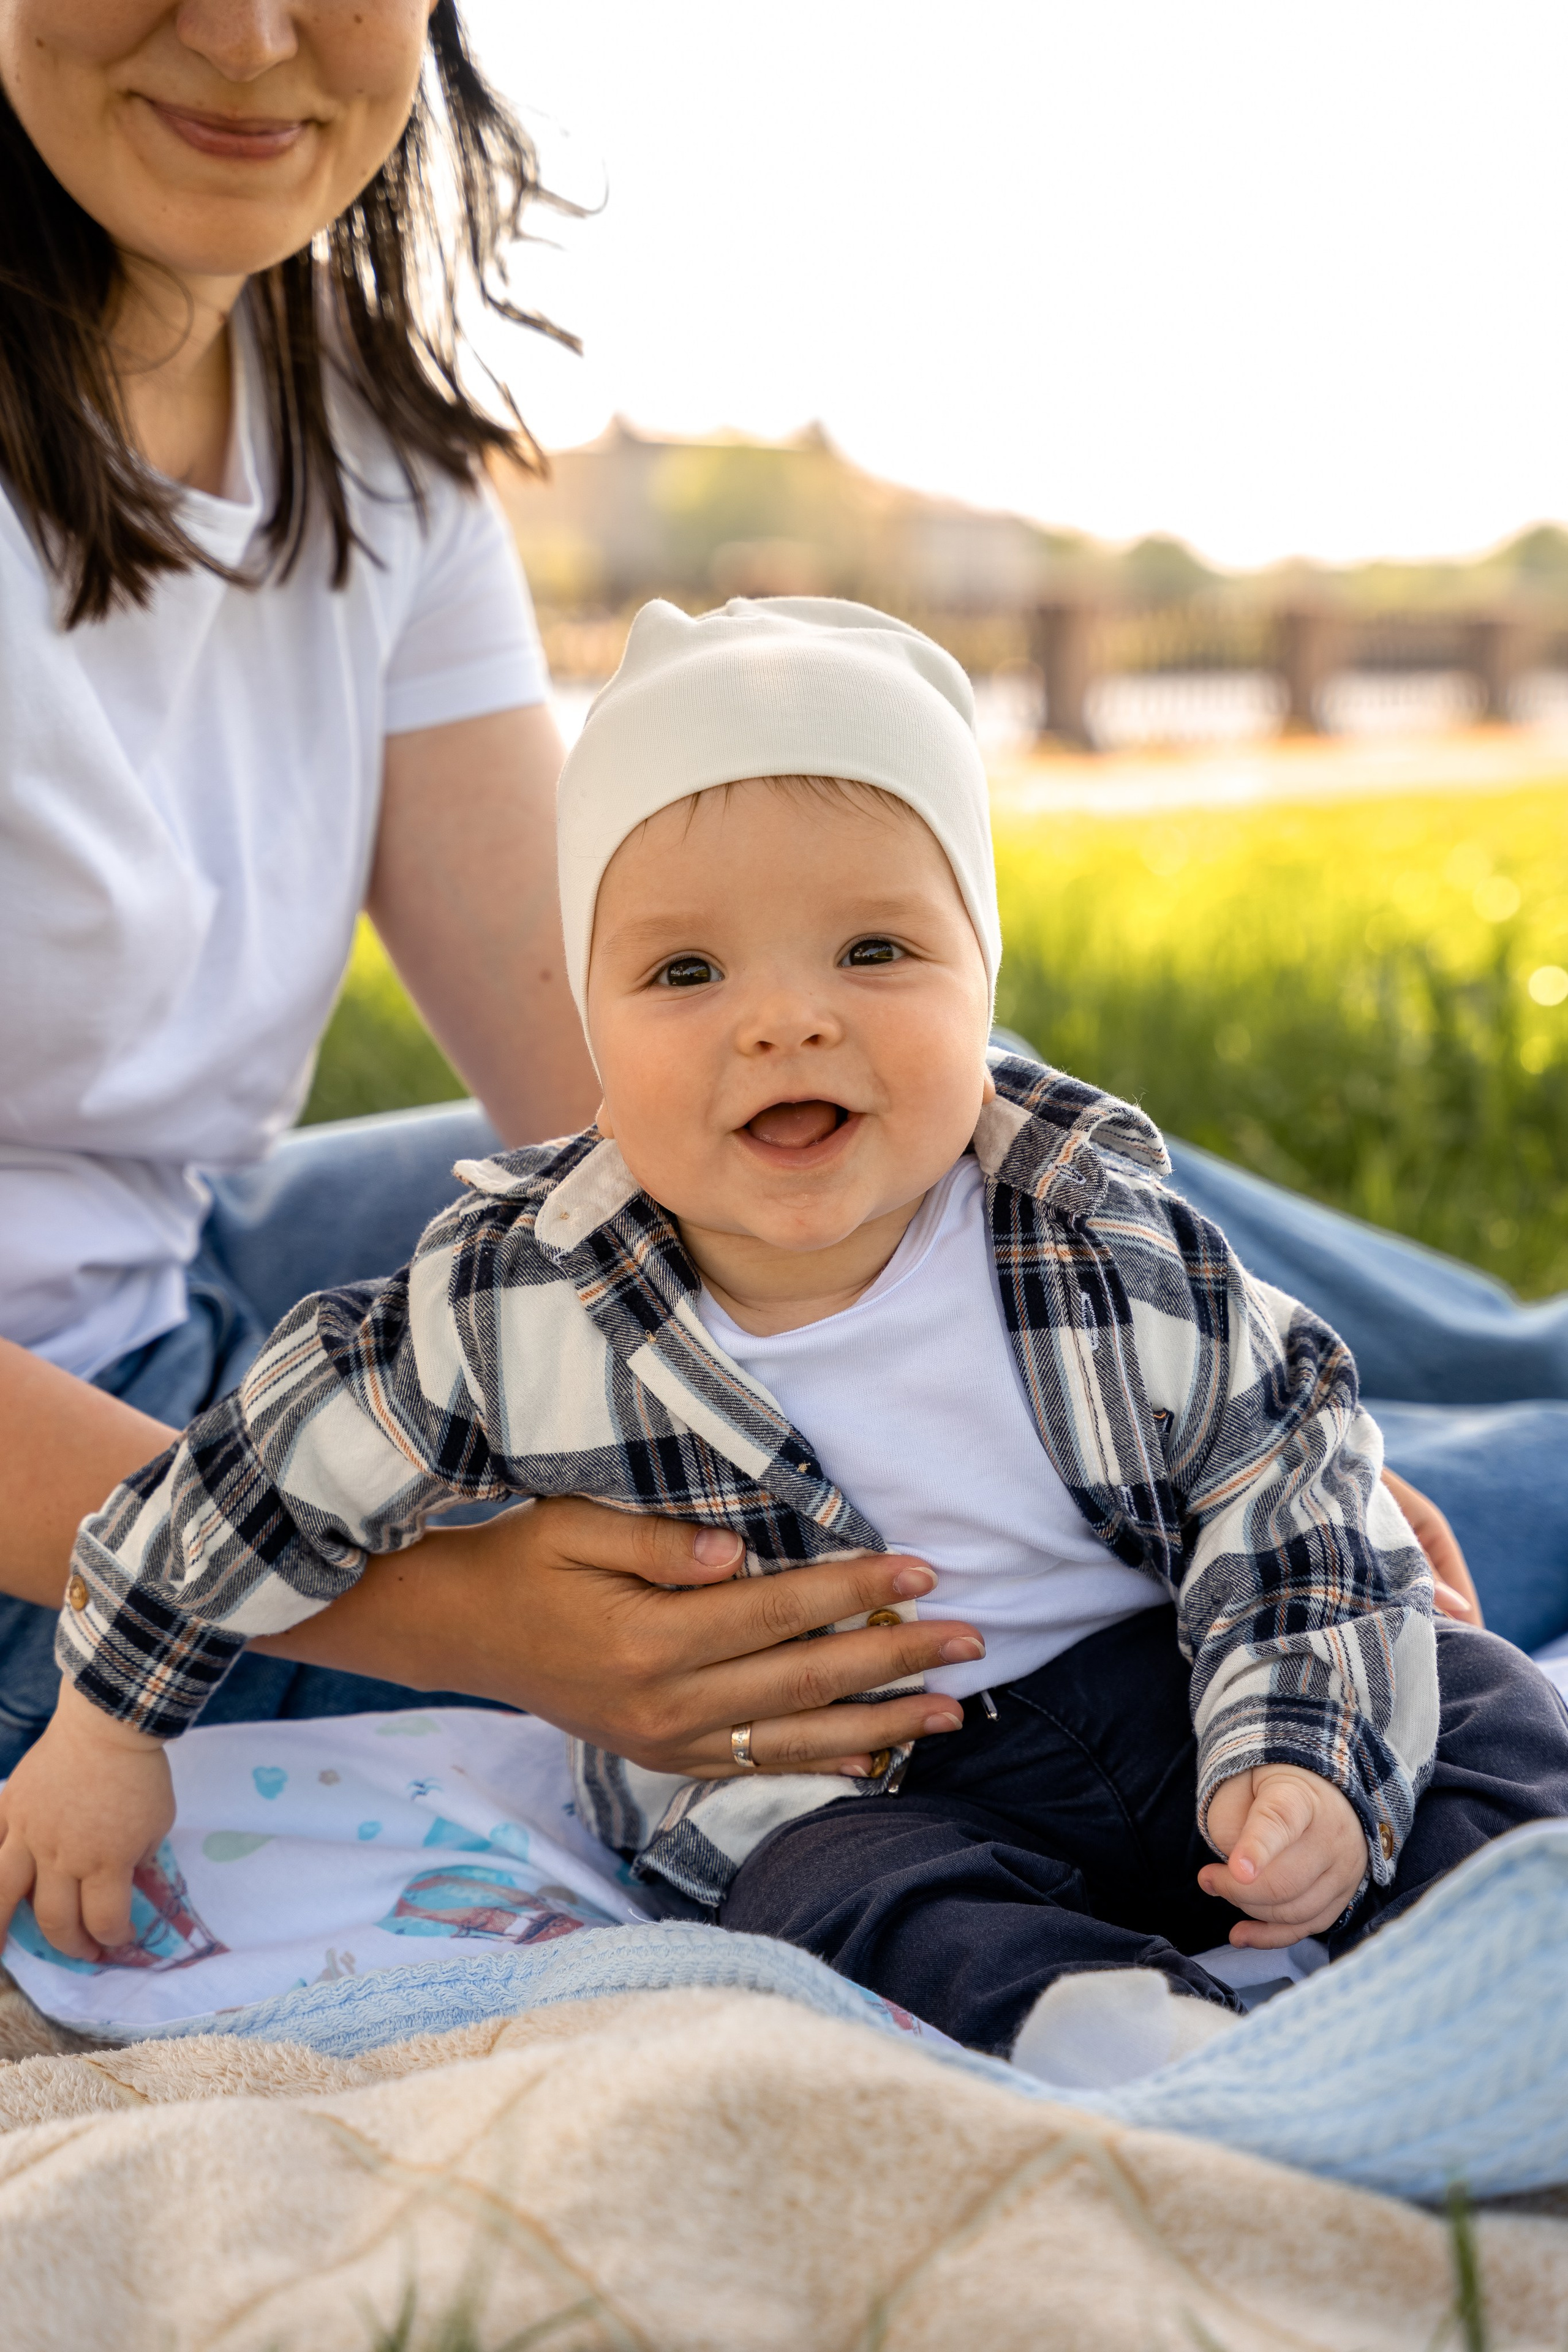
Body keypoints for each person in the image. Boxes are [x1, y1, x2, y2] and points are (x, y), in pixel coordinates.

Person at [7, 597, 1564, 2052]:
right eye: (684, 971)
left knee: (1459, 1680)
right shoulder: (515, 1302)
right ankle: (1108, 2034)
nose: (783, 1017)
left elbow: (1276, 1474)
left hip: (1155, 1681)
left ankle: (1493, 1948)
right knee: (830, 1911)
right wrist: (105, 1720)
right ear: (592, 1043)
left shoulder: (1092, 1234)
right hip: (841, 1781)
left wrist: (1303, 1737)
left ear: (981, 979)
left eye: (874, 952)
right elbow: (254, 1472)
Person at [0, 0, 982, 1787]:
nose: (247, 33)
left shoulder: (370, 456)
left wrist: (1190, 1386)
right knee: (977, 1617)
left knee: (881, 1092)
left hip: (191, 1269)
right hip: (40, 1513)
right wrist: (452, 1607)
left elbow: (613, 1062)